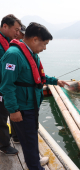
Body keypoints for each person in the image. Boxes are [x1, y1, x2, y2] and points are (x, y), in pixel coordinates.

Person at [0, 22, 69, 170]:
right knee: (30, 142)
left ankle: (34, 164)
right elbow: (7, 85)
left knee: (30, 140)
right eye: (44, 44)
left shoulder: (31, 53)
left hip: (31, 105)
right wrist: (13, 110)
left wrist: (55, 81)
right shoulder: (13, 55)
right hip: (22, 109)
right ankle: (35, 167)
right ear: (35, 39)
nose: (44, 48)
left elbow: (37, 76)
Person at [0, 14, 21, 155]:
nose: (17, 33)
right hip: (2, 86)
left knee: (8, 111)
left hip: (8, 85)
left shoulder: (7, 41)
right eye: (16, 29)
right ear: (5, 26)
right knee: (1, 115)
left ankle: (16, 136)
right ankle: (4, 145)